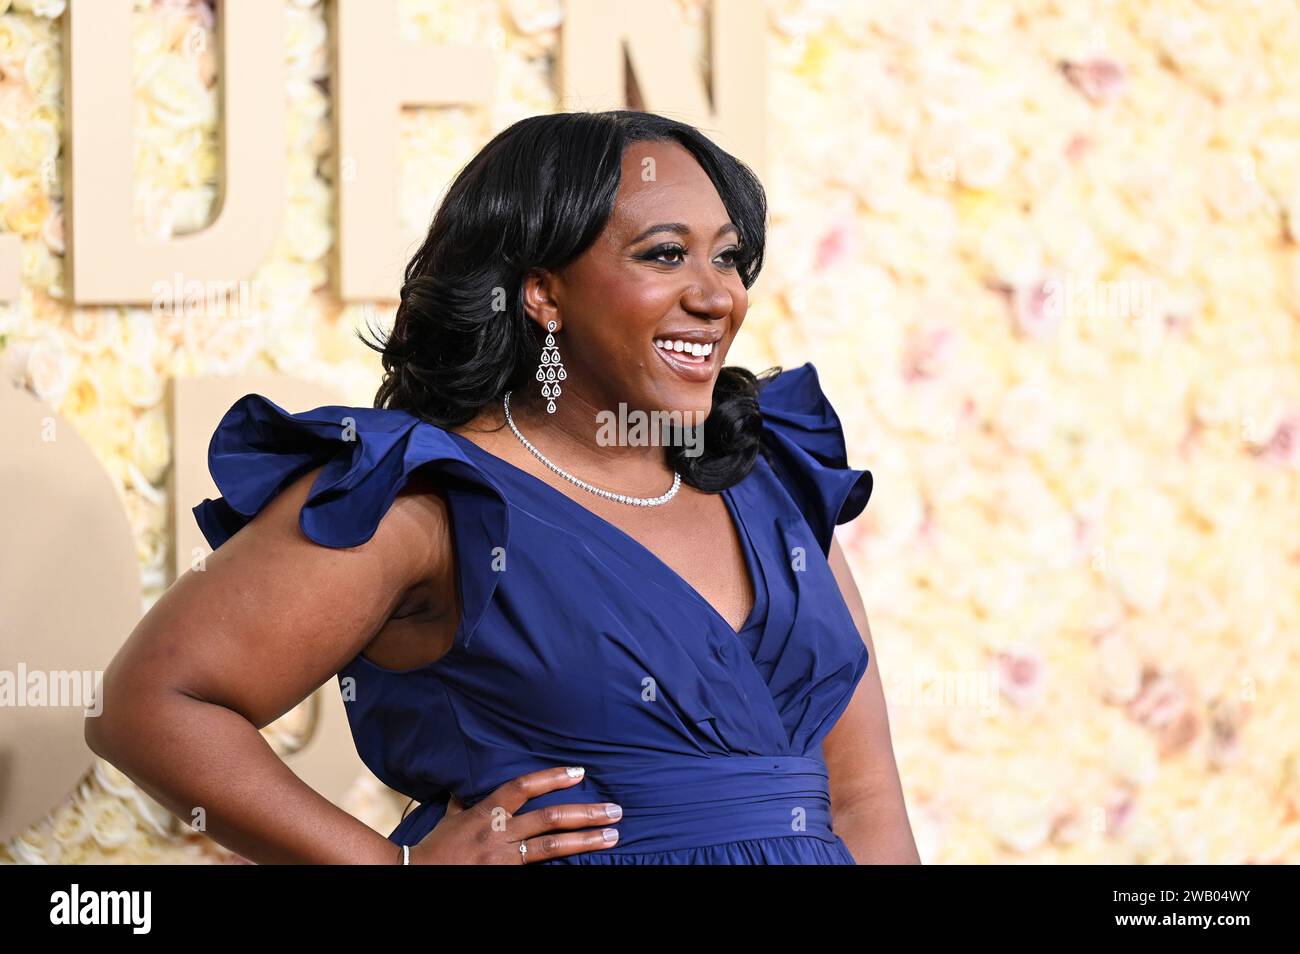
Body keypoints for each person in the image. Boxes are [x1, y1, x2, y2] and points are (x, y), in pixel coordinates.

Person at [86, 109, 918, 865]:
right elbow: (150, 704)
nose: (716, 295)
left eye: (729, 257)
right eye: (665, 254)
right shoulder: (430, 495)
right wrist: (393, 868)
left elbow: (865, 799)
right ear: (543, 292)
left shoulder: (773, 481)